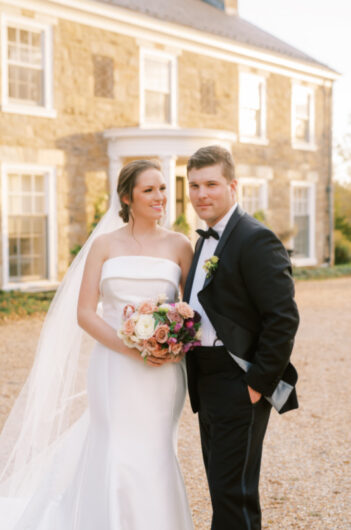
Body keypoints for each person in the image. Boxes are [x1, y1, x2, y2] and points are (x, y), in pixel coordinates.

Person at [0, 160, 194, 529]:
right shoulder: (105, 245)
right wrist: (133, 347)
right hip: (115, 367)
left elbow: (192, 312)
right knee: (116, 445)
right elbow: (86, 313)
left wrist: (171, 343)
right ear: (126, 197)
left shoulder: (180, 245)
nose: (160, 197)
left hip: (163, 373)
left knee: (156, 449)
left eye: (163, 188)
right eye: (148, 190)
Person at [183, 145, 300, 530]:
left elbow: (282, 319)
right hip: (206, 378)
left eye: (211, 184)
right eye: (194, 185)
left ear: (233, 185)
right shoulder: (203, 241)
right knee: (225, 490)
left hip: (238, 379)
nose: (202, 194)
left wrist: (255, 385)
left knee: (233, 495)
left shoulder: (256, 239)